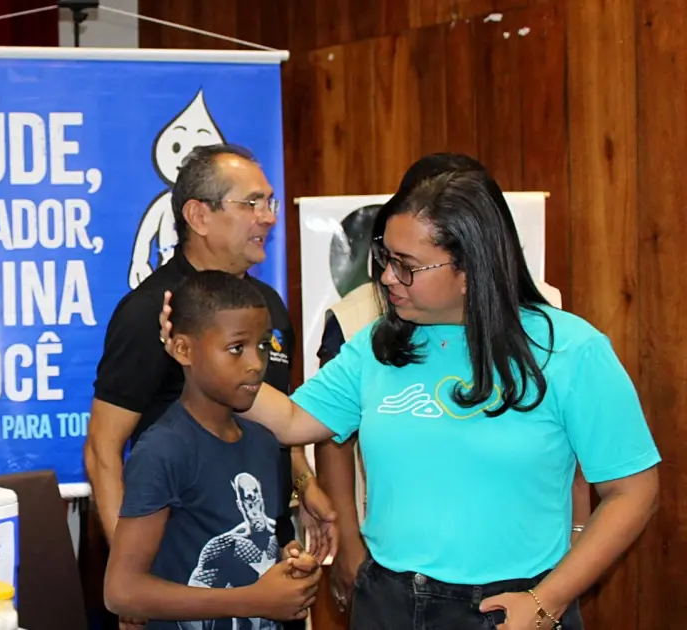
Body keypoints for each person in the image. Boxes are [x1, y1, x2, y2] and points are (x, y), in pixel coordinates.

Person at [158, 154, 661, 629]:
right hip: (390, 603)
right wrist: (203, 354)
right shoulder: (379, 344)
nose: (385, 277)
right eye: (384, 257)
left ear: (471, 268)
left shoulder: (569, 349)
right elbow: (292, 420)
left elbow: (633, 492)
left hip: (508, 607)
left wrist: (547, 600)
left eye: (407, 265)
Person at [312, 154, 591, 614]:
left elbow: (572, 452)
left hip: (521, 580)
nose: (392, 276)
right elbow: (321, 427)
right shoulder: (361, 321)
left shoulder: (553, 329)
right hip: (397, 573)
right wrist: (350, 544)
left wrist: (574, 546)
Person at [86, 144, 337, 584]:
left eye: (269, 202)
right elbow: (102, 451)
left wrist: (303, 487)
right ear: (199, 216)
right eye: (251, 203)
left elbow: (281, 423)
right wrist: (131, 574)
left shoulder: (270, 308)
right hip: (183, 564)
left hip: (269, 556)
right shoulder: (152, 311)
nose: (268, 217)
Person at [104, 270, 322, 629]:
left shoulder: (264, 442)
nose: (255, 364)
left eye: (263, 345)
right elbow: (122, 590)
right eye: (237, 348)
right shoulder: (164, 449)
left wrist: (287, 565)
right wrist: (254, 599)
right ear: (183, 349)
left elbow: (258, 547)